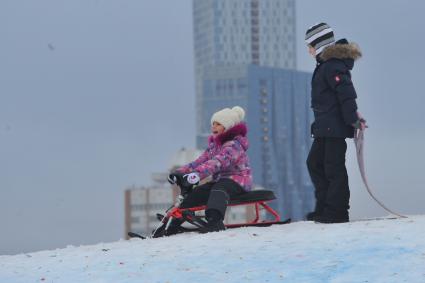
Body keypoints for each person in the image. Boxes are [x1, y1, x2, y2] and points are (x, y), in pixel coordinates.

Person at [304, 23, 366, 223]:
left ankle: (337, 211)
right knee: (314, 163)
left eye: (311, 45)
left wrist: (354, 121)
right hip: (324, 128)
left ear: (320, 45)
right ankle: (324, 207)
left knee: (333, 168)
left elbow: (346, 96)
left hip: (335, 129)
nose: (309, 50)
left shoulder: (333, 66)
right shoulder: (325, 66)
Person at [168, 106, 252, 233]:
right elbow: (200, 161)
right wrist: (180, 172)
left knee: (220, 188)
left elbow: (217, 162)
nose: (214, 127)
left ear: (228, 126)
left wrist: (196, 175)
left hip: (238, 180)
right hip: (220, 180)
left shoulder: (234, 145)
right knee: (196, 192)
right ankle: (173, 225)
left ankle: (215, 221)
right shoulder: (214, 146)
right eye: (213, 124)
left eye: (218, 124)